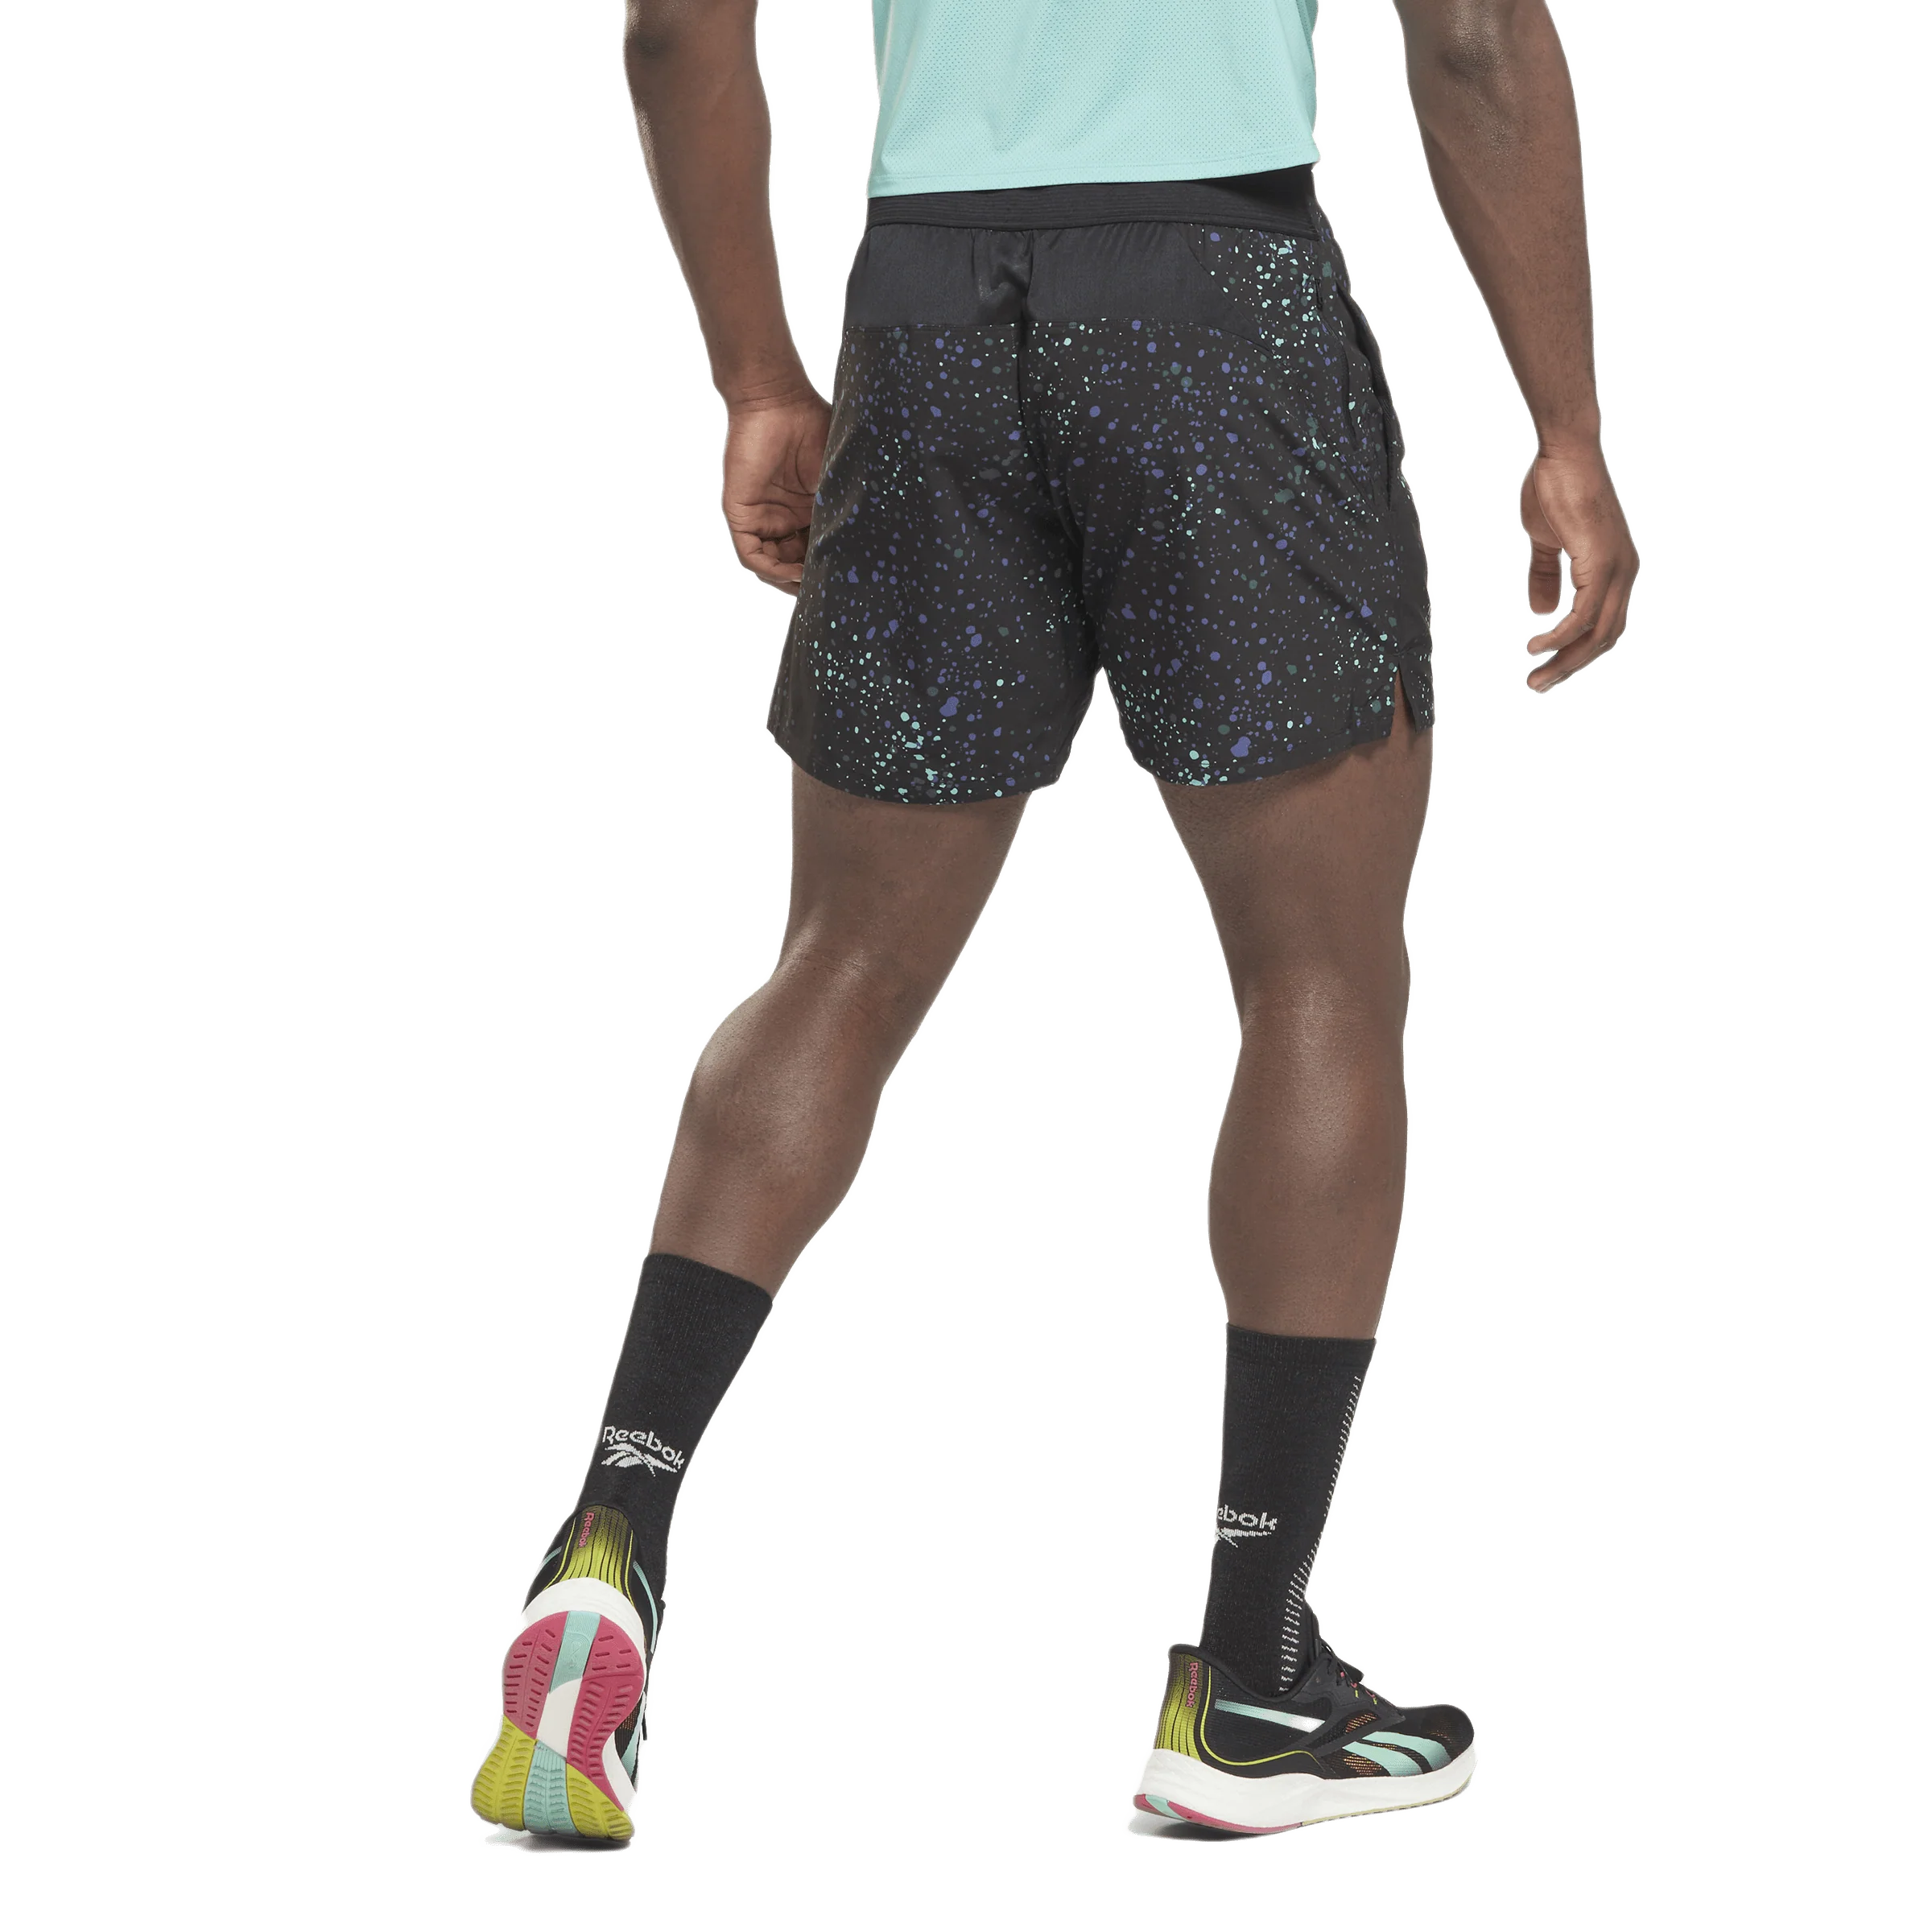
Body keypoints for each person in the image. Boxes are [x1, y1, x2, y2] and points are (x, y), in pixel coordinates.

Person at [468, 0, 1637, 1844]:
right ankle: (1251, 1681)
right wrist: (1568, 424)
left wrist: (761, 380)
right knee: (1319, 985)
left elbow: (678, 29)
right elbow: (1476, 35)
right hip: (1217, 297)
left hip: (929, 310)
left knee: (837, 967)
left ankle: (611, 1527)